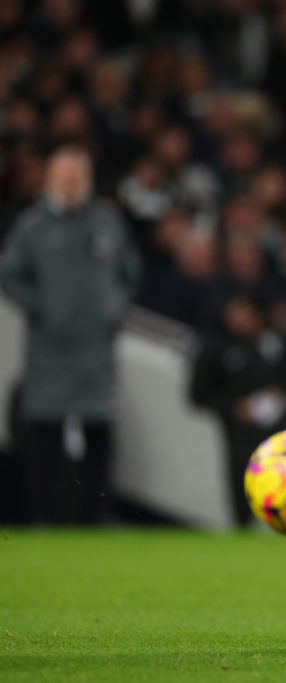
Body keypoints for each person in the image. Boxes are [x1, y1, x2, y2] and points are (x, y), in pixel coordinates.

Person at [0, 146, 141, 523]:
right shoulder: (33, 226)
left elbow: (131, 271)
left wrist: (114, 307)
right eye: (65, 175)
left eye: (78, 175)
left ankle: (99, 514)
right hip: (50, 351)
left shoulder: (107, 222)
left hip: (96, 351)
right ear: (50, 179)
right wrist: (40, 306)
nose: (72, 182)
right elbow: (8, 274)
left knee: (99, 433)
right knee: (46, 435)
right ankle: (42, 515)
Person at [188, 288, 286, 526]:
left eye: (246, 311)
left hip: (278, 428)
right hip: (239, 433)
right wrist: (233, 407)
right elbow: (198, 394)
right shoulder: (215, 348)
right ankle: (243, 528)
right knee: (244, 487)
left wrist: (279, 392)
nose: (240, 317)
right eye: (234, 310)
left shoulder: (276, 341)